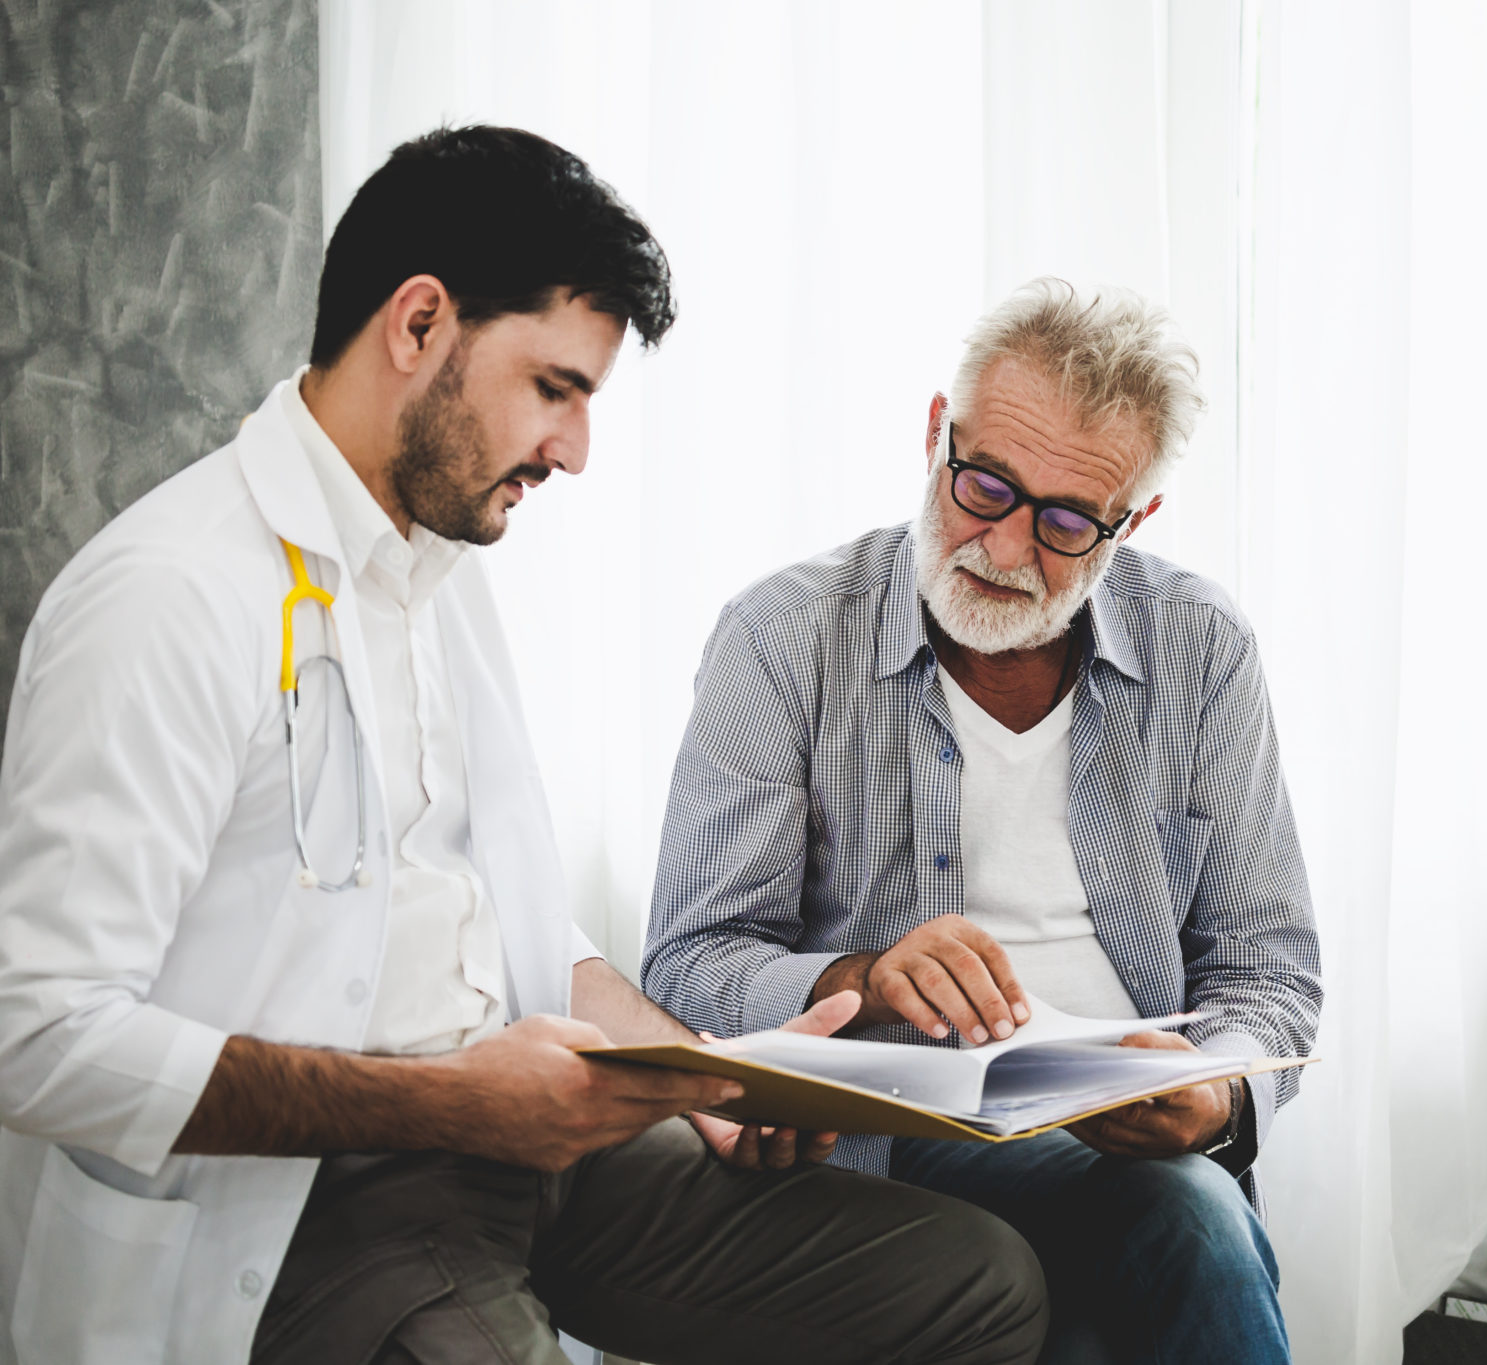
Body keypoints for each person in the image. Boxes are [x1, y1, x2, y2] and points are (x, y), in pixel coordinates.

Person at [0, 126, 1045, 1365]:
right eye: (556, 389)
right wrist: (454, 1102)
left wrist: (698, 1074)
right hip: (312, 1211)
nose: (574, 451)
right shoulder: (169, 596)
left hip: (531, 1153)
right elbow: (36, 1037)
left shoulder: (439, 567)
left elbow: (512, 921)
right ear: (419, 324)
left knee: (974, 1284)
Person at [643, 277, 1322, 1364]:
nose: (1006, 552)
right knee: (1181, 1232)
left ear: (1130, 521)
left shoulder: (1200, 648)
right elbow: (685, 965)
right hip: (889, 1139)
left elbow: (1269, 968)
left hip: (1130, 1141)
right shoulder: (782, 638)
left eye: (1064, 524)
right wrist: (855, 977)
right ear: (933, 437)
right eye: (985, 488)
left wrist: (1213, 1096)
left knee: (1178, 1215)